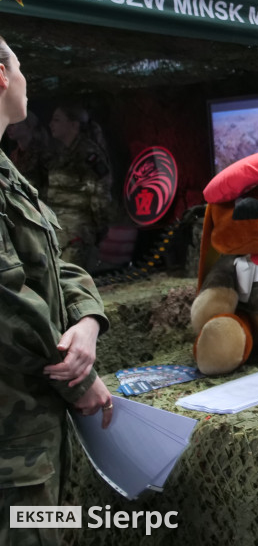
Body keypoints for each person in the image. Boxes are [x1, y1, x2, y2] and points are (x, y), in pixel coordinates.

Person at [0, 38, 113, 546]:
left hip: (32, 433)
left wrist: (87, 322)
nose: (27, 80)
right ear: (2, 77)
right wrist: (77, 377)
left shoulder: (8, 172)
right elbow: (7, 305)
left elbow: (53, 262)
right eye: (21, 67)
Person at [46, 104, 113, 273]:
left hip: (78, 233)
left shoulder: (88, 153)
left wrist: (100, 226)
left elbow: (100, 190)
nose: (51, 124)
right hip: (60, 231)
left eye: (57, 120)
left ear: (73, 125)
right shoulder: (62, 153)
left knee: (74, 280)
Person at [5, 110, 52, 196]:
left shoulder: (43, 154)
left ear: (28, 126)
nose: (8, 128)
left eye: (13, 124)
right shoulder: (14, 155)